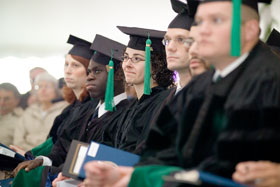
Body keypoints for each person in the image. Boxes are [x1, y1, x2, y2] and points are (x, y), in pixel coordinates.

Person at [78, 0, 280, 186]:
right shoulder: (201, 86)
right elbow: (163, 150)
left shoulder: (272, 80)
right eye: (199, 22)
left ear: (249, 30)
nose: (202, 31)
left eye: (216, 20)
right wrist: (125, 176)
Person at [11, 34, 97, 187]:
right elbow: (57, 144)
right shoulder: (71, 108)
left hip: (67, 174)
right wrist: (29, 154)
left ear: (90, 71)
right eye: (66, 64)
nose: (68, 71)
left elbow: (72, 151)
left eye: (76, 65)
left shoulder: (92, 109)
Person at [113, 26, 174, 154]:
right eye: (125, 57)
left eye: (136, 59)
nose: (127, 64)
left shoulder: (163, 103)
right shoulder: (134, 105)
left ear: (156, 65)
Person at [12, 72, 68, 151]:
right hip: (24, 154)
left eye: (47, 86)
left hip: (50, 156)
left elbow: (59, 140)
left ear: (56, 90)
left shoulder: (64, 109)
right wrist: (28, 153)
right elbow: (18, 139)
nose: (43, 90)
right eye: (39, 87)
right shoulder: (29, 111)